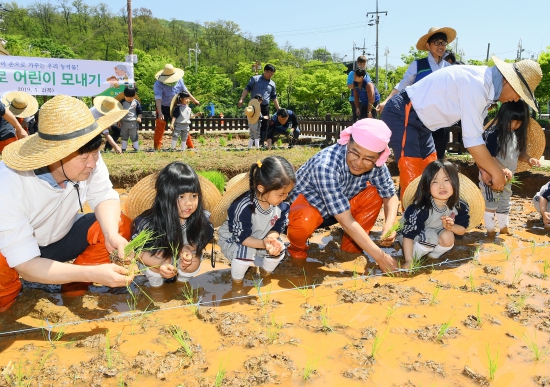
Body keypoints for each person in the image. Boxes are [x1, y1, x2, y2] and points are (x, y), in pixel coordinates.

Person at [0, 95, 133, 311]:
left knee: (118, 224)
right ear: (54, 156)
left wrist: (111, 234)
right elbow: (25, 265)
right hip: (13, 253)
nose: (92, 163)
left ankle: (73, 289)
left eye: (96, 153)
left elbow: (104, 195)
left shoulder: (89, 161)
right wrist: (93, 272)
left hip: (61, 238)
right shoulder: (9, 182)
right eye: (84, 158)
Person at [380, 56, 542, 202]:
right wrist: (496, 173)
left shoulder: (485, 91)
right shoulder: (477, 85)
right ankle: (409, 227)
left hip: (423, 124)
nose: (517, 99)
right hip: (404, 113)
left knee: (431, 172)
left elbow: (477, 138)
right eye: (519, 93)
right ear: (508, 81)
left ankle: (427, 220)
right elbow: (472, 141)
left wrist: (485, 169)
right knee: (412, 171)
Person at [287, 119, 400, 273]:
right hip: (306, 209)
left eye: (368, 158)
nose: (359, 162)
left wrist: (390, 225)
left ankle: (350, 251)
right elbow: (345, 220)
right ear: (348, 142)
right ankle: (296, 250)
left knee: (374, 193)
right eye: (355, 152)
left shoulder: (376, 165)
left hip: (339, 208)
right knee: (305, 220)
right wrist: (381, 257)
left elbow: (390, 196)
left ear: (378, 157)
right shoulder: (326, 165)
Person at [216, 156, 296, 286]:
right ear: (261, 188)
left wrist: (271, 240)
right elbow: (242, 238)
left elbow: (278, 227)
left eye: (287, 193)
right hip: (235, 239)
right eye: (281, 194)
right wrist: (264, 244)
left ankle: (266, 274)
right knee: (246, 251)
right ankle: (236, 282)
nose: (285, 197)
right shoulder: (244, 207)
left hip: (261, 238)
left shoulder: (282, 205)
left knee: (279, 247)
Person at [378, 27, 457, 160]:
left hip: (440, 118)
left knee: (437, 156)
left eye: (443, 43)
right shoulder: (418, 65)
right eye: (437, 43)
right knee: (418, 155)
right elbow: (402, 85)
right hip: (419, 118)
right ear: (428, 45)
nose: (441, 46)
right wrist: (387, 101)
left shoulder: (449, 69)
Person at [131, 162, 214, 287]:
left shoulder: (201, 220)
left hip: (180, 258)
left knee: (193, 260)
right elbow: (137, 251)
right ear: (165, 198)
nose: (189, 203)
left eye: (193, 196)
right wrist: (160, 265)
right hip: (155, 259)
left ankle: (181, 284)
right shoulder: (149, 223)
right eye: (181, 196)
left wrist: (188, 248)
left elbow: (201, 240)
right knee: (161, 257)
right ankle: (156, 286)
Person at [479, 101, 542, 234]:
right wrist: (502, 168)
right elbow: (489, 156)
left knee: (504, 202)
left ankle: (504, 229)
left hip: (508, 178)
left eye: (518, 123)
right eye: (511, 121)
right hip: (491, 176)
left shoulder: (515, 135)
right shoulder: (493, 133)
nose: (514, 126)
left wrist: (530, 158)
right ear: (503, 116)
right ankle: (490, 232)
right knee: (491, 203)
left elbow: (520, 153)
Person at [397, 160, 469, 268]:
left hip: (435, 232)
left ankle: (432, 257)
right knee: (430, 237)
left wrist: (451, 226)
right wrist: (408, 260)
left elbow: (462, 230)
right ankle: (414, 259)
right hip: (410, 235)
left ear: (455, 182)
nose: (441, 186)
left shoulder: (460, 205)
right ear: (426, 187)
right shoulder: (422, 208)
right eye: (435, 182)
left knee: (448, 236)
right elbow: (409, 235)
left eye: (446, 180)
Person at [153, 64, 199, 150]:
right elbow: (158, 99)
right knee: (160, 127)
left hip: (177, 106)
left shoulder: (179, 80)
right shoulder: (158, 84)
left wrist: (194, 100)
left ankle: (189, 145)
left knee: (182, 125)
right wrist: (160, 113)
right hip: (163, 107)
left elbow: (185, 92)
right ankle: (157, 147)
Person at [238, 64, 280, 146]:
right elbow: (247, 88)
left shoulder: (272, 84)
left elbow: (274, 97)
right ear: (265, 71)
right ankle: (253, 141)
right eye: (269, 73)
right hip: (254, 106)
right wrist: (241, 99)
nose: (270, 75)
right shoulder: (255, 79)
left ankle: (261, 143)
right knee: (254, 124)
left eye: (272, 74)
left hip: (265, 106)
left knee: (264, 124)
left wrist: (278, 108)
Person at [347, 55, 371, 122]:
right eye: (360, 64)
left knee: (365, 121)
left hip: (365, 100)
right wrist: (359, 84)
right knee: (357, 121)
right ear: (357, 63)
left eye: (364, 64)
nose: (362, 65)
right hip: (355, 99)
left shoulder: (367, 74)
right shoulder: (352, 73)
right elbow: (349, 86)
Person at [118, 86, 142, 152]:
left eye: (131, 98)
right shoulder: (121, 103)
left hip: (133, 122)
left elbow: (140, 112)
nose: (129, 99)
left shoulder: (136, 102)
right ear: (124, 95)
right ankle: (123, 149)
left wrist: (139, 117)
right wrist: (119, 121)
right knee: (124, 135)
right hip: (124, 122)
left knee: (134, 135)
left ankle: (136, 148)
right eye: (127, 97)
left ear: (134, 96)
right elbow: (119, 113)